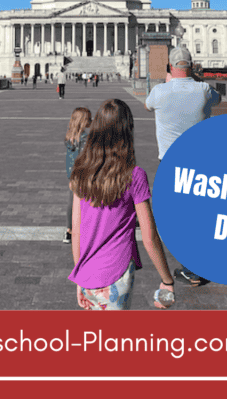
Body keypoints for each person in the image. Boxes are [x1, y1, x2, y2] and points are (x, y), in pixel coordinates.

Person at [69, 99, 175, 311]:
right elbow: (149, 236)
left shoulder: (81, 170)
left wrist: (79, 276)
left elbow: (77, 229)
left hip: (87, 272)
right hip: (117, 273)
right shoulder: (134, 175)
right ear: (128, 131)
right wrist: (167, 280)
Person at [145, 45, 221, 286]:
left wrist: (169, 82)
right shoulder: (204, 90)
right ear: (192, 66)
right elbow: (217, 99)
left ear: (170, 66)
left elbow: (148, 105)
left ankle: (193, 266)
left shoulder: (159, 92)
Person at [63, 107, 92, 245]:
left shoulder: (69, 137)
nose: (91, 121)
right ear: (83, 121)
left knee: (72, 201)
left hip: (72, 173)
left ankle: (69, 230)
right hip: (82, 174)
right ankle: (83, 229)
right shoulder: (85, 138)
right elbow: (84, 158)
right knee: (85, 201)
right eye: (89, 119)